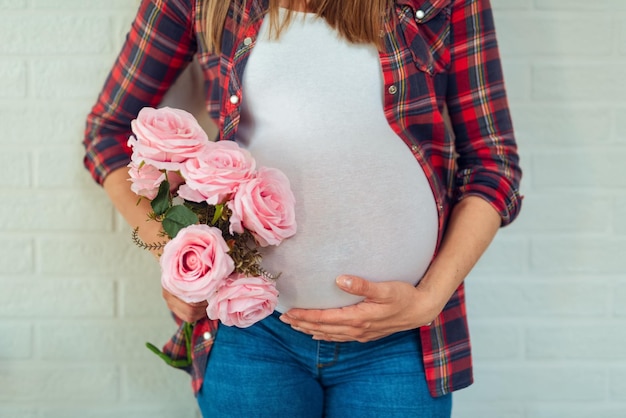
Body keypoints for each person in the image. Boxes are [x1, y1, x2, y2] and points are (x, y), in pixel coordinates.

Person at [83, 0, 522, 416]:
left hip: (402, 336)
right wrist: (179, 254)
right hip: (251, 334)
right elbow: (108, 134)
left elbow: (492, 164)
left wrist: (428, 301)